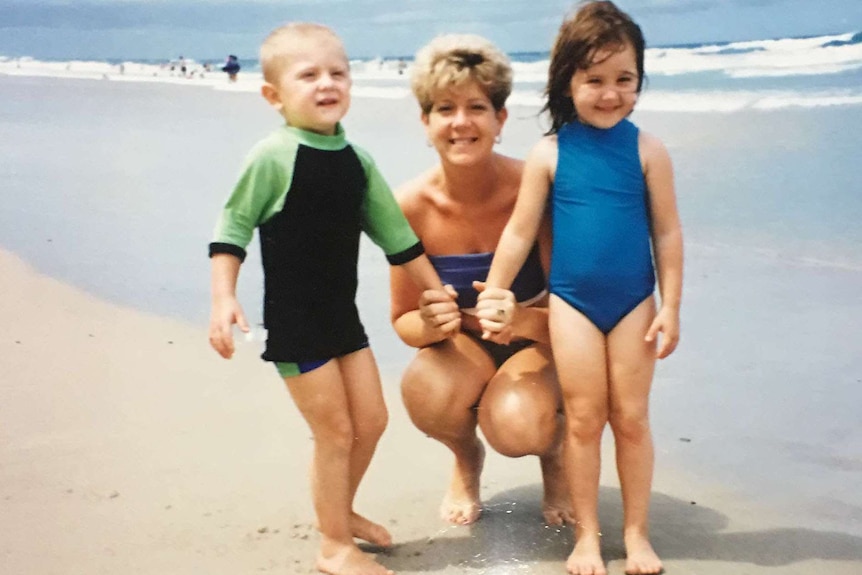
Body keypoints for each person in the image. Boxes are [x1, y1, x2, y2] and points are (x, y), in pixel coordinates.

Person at [207, 22, 450, 575]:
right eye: (309, 74)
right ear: (274, 95)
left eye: (337, 72)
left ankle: (337, 513)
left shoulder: (357, 161)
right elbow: (233, 227)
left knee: (373, 420)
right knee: (335, 432)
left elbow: (399, 240)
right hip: (295, 324)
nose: (326, 83)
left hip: (343, 318)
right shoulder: (273, 155)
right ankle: (334, 547)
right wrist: (224, 298)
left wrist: (438, 294)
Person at [478, 2, 683, 574]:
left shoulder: (648, 151)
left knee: (633, 419)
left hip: (635, 304)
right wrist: (495, 292)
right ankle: (588, 536)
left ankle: (637, 536)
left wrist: (671, 307)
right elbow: (519, 233)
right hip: (572, 305)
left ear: (640, 81)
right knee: (587, 419)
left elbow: (667, 234)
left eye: (625, 79)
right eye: (594, 79)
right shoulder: (550, 153)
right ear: (568, 81)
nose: (610, 93)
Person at [389, 34, 573, 528]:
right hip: (463, 345)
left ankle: (553, 455)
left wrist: (524, 320)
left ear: (500, 119)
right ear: (425, 123)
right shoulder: (408, 206)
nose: (461, 122)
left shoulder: (535, 191)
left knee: (517, 426)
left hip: (537, 342)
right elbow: (402, 322)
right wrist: (430, 324)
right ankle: (465, 459)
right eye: (445, 109)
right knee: (425, 392)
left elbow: (576, 315)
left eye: (476, 107)